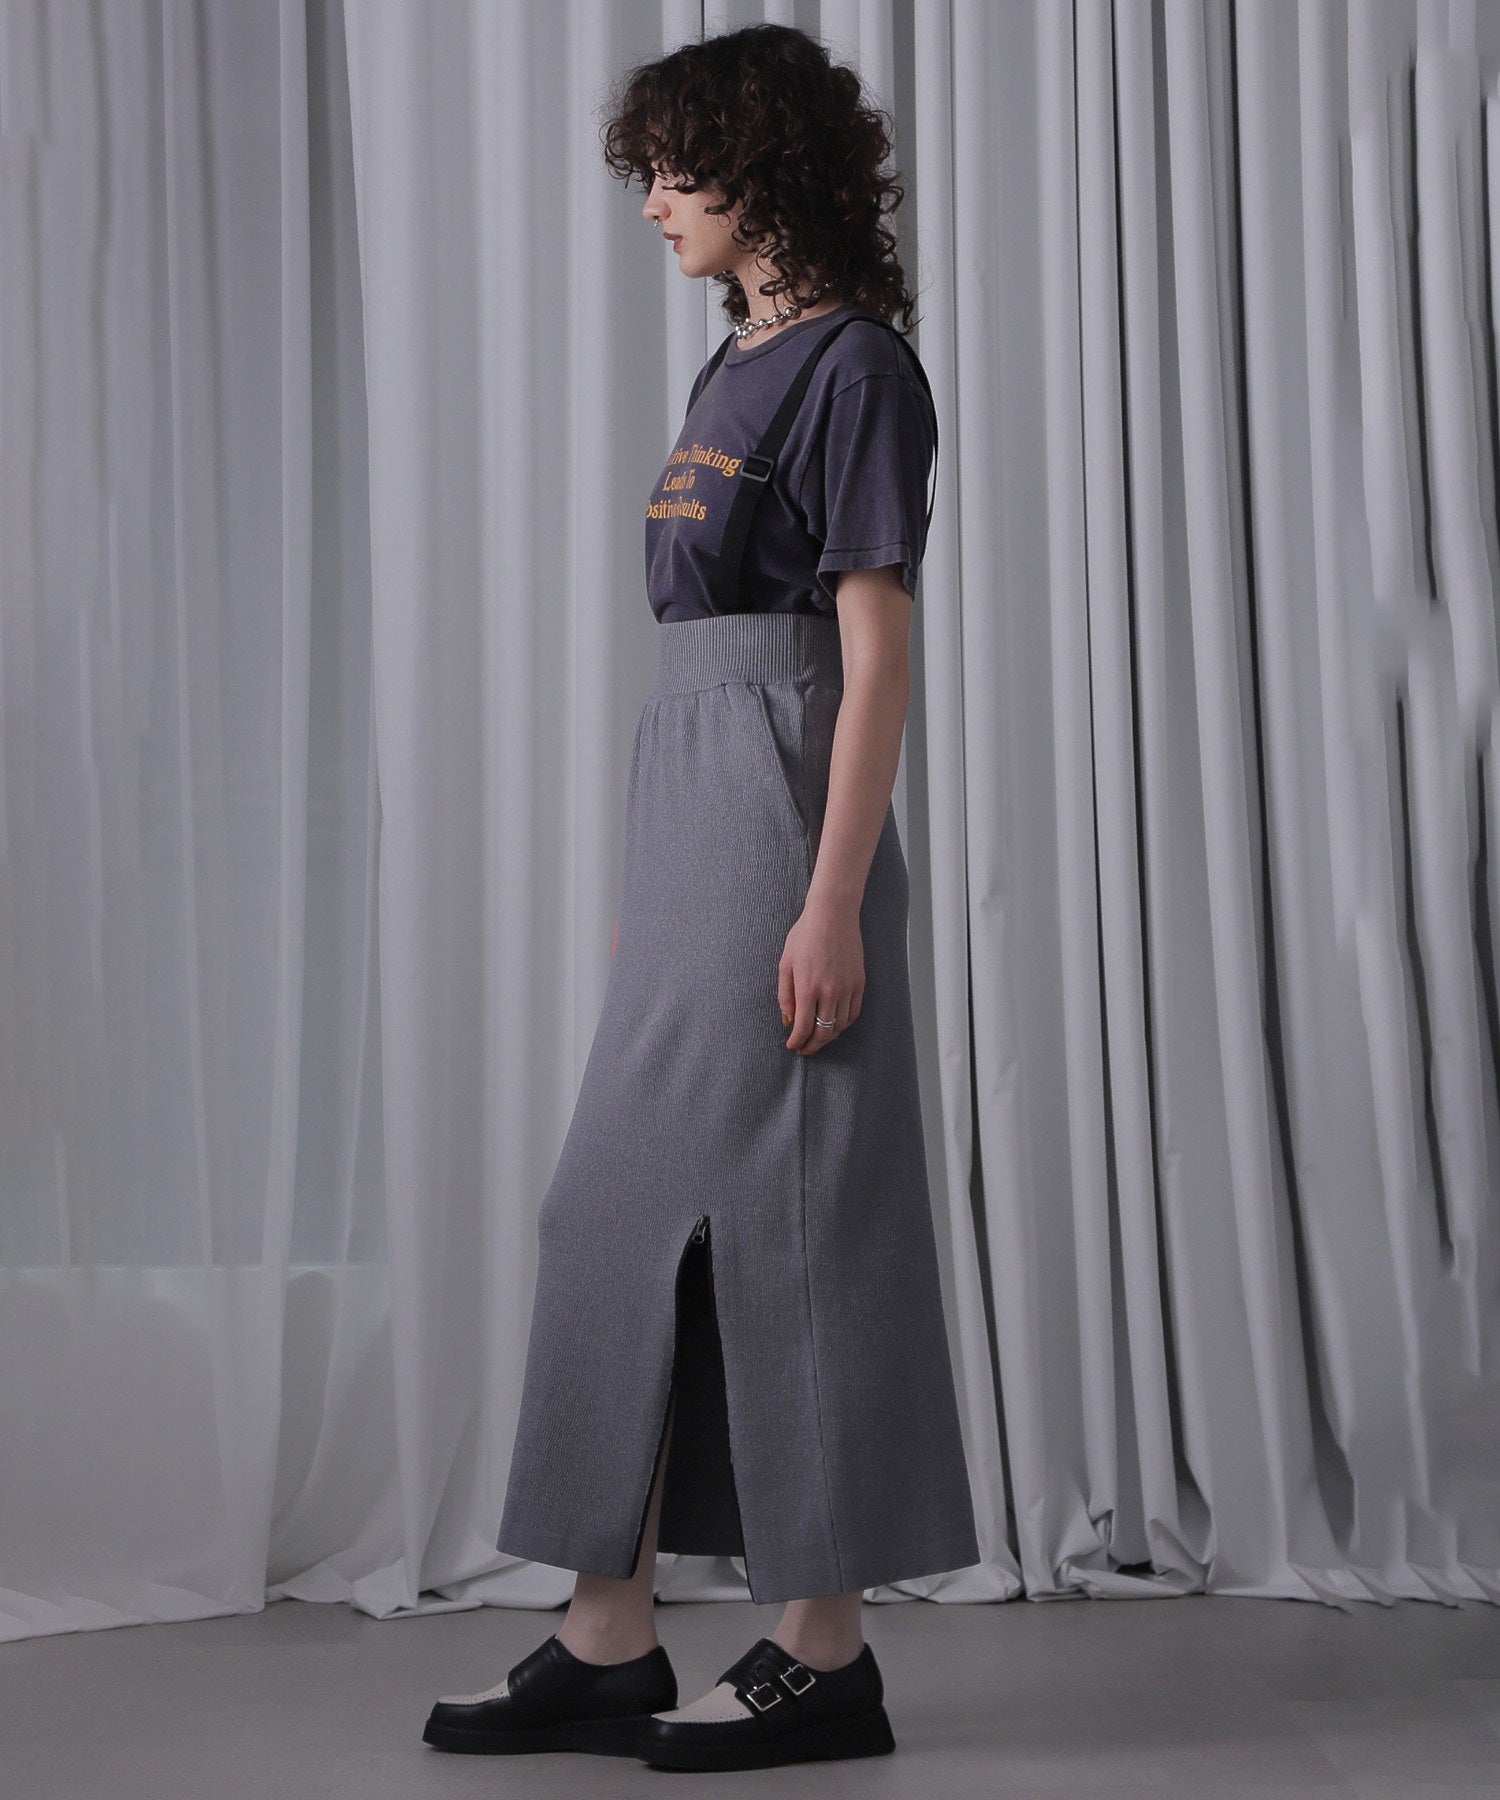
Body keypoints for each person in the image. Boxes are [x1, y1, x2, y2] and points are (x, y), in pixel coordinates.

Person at [422, 20, 979, 1775]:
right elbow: (696, 660)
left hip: (785, 803)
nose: (655, 200)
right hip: (694, 802)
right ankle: (610, 1633)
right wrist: (660, 884)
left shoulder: (856, 370)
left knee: (795, 1227)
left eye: (679, 168)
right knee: (609, 1219)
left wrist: (829, 899)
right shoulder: (728, 365)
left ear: (765, 166)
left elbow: (873, 658)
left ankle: (828, 1653)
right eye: (649, 171)